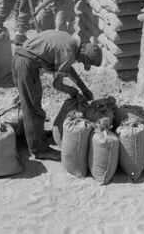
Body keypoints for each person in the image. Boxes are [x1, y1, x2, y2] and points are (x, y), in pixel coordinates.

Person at [12, 30, 102, 161]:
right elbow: (57, 84)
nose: (81, 63)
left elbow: (68, 68)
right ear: (83, 54)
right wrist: (74, 92)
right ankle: (39, 150)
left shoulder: (69, 41)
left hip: (21, 60)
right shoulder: (69, 53)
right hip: (26, 66)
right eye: (84, 62)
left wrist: (84, 88)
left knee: (32, 106)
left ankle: (38, 137)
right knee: (33, 109)